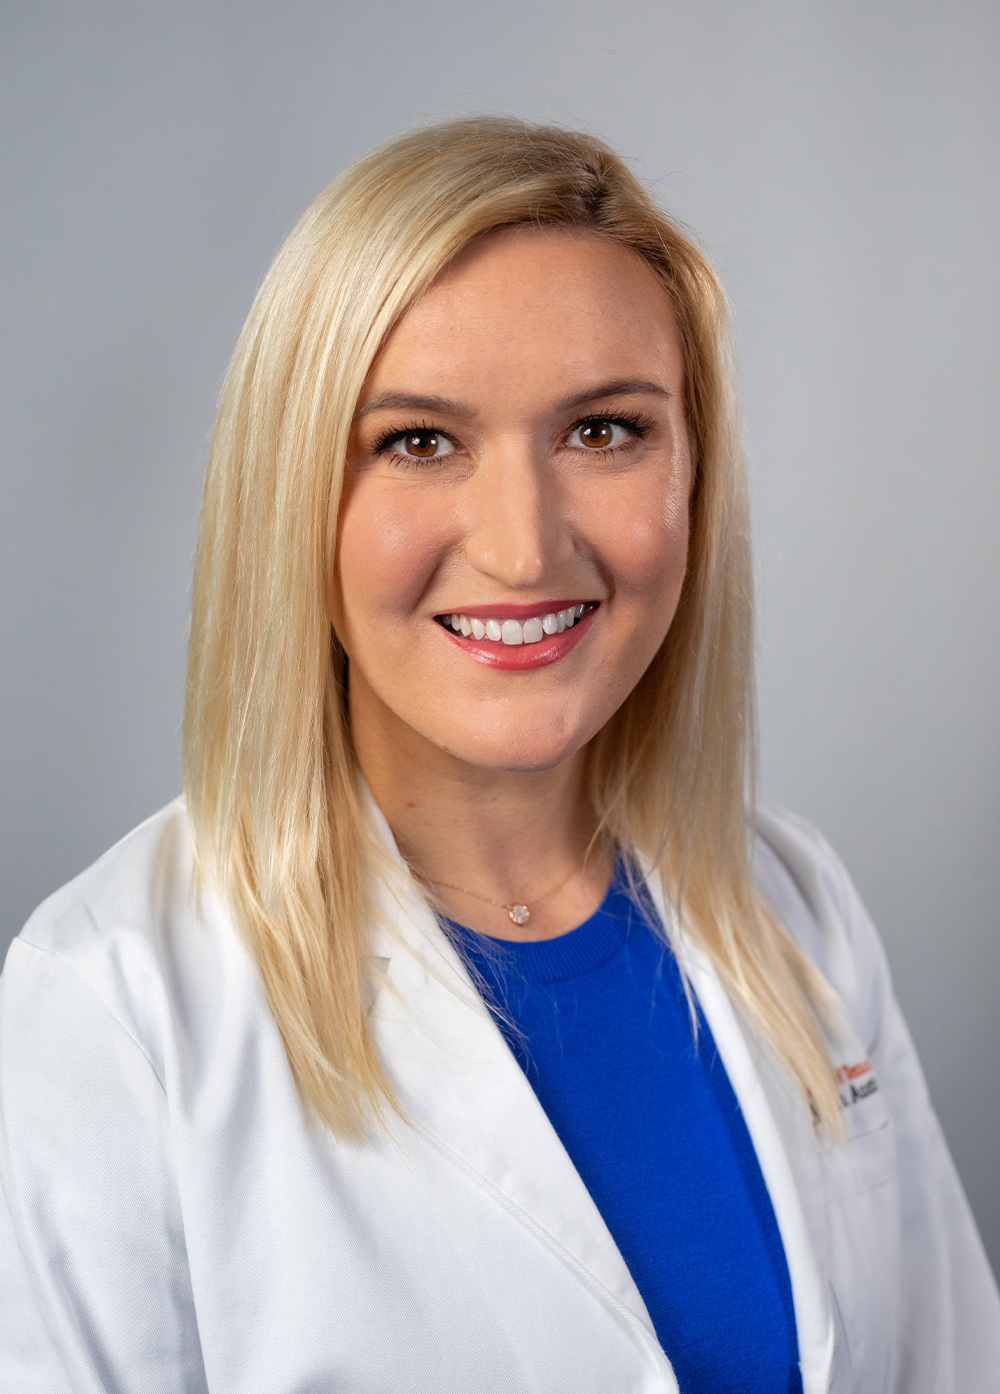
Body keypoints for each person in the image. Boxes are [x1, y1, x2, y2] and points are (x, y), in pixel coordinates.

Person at [1, 116, 997, 1394]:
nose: (523, 549)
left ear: (694, 470)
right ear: (293, 491)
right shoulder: (116, 999)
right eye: (419, 440)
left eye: (603, 431)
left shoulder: (795, 904)